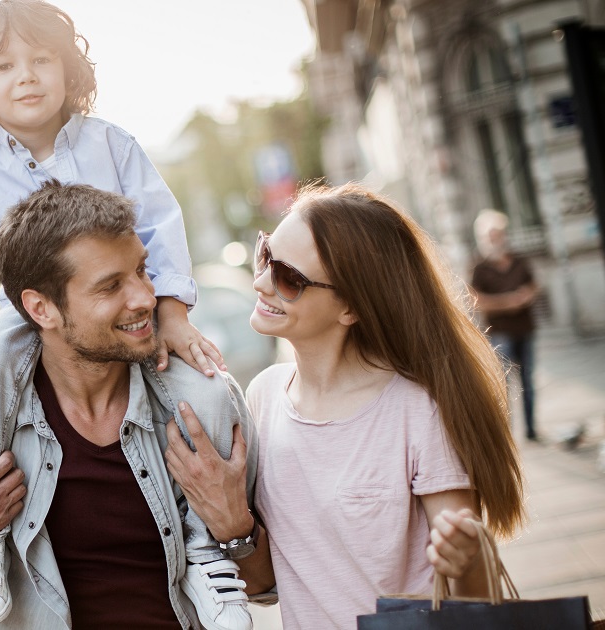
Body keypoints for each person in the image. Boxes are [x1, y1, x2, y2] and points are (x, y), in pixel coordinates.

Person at [0, 1, 239, 627]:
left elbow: (161, 228)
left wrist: (172, 314)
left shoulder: (112, 144)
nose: (26, 76)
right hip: (30, 309)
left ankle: (208, 555)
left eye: (41, 60)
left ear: (70, 71)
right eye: (4, 66)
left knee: (205, 383)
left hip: (118, 308)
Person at [0, 182, 257, 629]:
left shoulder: (202, 404)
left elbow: (265, 585)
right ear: (41, 308)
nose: (146, 298)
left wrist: (233, 525)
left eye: (142, 272)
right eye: (111, 286)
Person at [164, 183, 527, 629]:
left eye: (288, 278)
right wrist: (230, 519)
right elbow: (265, 586)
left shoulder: (417, 411)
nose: (260, 282)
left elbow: (476, 603)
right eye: (265, 255)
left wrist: (468, 556)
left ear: (351, 308)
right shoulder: (262, 396)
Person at [470, 209, 541, 442]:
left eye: (499, 234)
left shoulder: (518, 259)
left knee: (528, 381)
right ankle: (507, 433)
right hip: (499, 333)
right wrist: (507, 303)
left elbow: (534, 285)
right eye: (492, 236)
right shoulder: (479, 267)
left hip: (525, 328)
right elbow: (476, 301)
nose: (497, 239)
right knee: (504, 384)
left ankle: (531, 430)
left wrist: (526, 296)